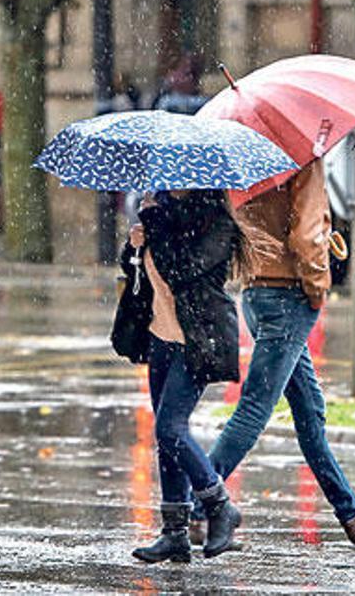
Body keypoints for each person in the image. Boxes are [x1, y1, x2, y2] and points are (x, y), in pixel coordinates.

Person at [196, 160, 355, 545]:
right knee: (254, 408)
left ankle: (351, 513)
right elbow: (305, 236)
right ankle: (196, 505)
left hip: (255, 291)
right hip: (288, 295)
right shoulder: (302, 159)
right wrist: (318, 285)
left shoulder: (248, 158)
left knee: (309, 413)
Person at [125, 190, 247, 563]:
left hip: (197, 340)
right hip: (161, 337)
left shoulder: (218, 224)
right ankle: (174, 533)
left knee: (170, 429)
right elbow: (138, 273)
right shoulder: (161, 212)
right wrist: (133, 247)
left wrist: (156, 228)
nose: (169, 184)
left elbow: (180, 271)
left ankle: (219, 504)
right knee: (167, 440)